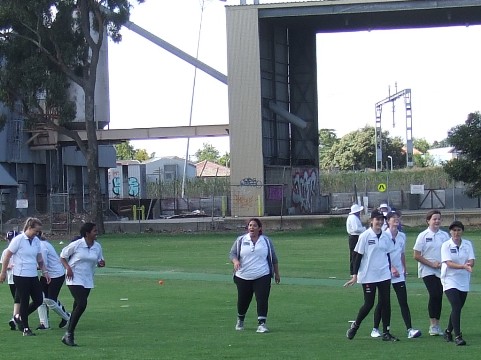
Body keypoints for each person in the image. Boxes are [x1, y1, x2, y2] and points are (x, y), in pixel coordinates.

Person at [344, 210, 398, 341]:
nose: (379, 222)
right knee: (369, 304)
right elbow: (357, 256)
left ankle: (386, 332)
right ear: (371, 221)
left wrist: (392, 268)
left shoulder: (386, 236)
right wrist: (355, 275)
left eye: (381, 219)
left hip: (384, 274)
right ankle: (355, 325)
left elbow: (389, 254)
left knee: (386, 303)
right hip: (368, 275)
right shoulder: (365, 236)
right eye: (377, 219)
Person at [370, 211, 421, 339]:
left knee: (403, 301)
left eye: (398, 218)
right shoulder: (383, 236)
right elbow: (383, 254)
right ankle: (375, 328)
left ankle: (410, 329)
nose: (396, 219)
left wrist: (404, 268)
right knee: (382, 302)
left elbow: (402, 254)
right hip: (385, 273)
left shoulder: (402, 236)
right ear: (388, 221)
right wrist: (391, 267)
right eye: (393, 218)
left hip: (399, 274)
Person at [0, 218, 50, 336]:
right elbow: (7, 256)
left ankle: (19, 316)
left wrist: (45, 272)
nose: (37, 234)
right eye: (36, 231)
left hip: (32, 275)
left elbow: (39, 259)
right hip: (20, 275)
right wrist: (3, 272)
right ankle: (26, 329)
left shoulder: (36, 241)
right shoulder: (18, 240)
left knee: (39, 299)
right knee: (24, 300)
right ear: (29, 227)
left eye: (39, 232)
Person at [229, 218, 280, 333]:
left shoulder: (266, 241)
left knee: (262, 298)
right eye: (250, 225)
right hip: (243, 275)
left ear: (260, 228)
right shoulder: (241, 240)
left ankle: (262, 324)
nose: (252, 227)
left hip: (262, 274)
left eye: (254, 225)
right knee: (243, 300)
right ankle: (240, 320)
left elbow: (273, 258)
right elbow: (232, 253)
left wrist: (277, 273)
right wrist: (236, 261)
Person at [59, 222, 105, 346]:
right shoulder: (77, 244)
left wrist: (101, 264)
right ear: (87, 233)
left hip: (87, 279)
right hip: (74, 277)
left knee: (77, 307)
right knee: (82, 303)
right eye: (94, 231)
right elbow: (62, 256)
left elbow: (100, 260)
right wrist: (67, 268)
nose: (97, 233)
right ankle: (69, 334)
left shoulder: (97, 246)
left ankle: (68, 334)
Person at [413, 210, 450, 336]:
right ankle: (433, 325)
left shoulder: (444, 236)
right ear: (428, 221)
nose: (437, 221)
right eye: (434, 219)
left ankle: (437, 325)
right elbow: (417, 255)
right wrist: (431, 264)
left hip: (441, 271)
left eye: (439, 219)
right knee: (434, 294)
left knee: (439, 295)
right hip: (427, 270)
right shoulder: (422, 236)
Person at [440, 220, 475, 346]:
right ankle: (458, 336)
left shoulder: (467, 244)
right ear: (450, 232)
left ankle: (448, 331)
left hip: (463, 279)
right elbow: (448, 263)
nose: (456, 232)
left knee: (458, 307)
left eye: (458, 230)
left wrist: (469, 264)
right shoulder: (446, 245)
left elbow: (471, 260)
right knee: (456, 305)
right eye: (454, 230)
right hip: (449, 279)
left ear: (462, 231)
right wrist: (463, 266)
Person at [36, 231, 71, 330]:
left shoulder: (42, 245)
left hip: (56, 275)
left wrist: (28, 267)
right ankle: (44, 324)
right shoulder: (37, 245)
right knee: (41, 299)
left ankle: (68, 317)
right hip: (46, 274)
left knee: (50, 300)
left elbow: (43, 264)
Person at [1, 230, 20, 330]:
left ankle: (15, 319)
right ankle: (17, 318)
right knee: (17, 300)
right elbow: (3, 264)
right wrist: (8, 267)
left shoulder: (19, 250)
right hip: (11, 279)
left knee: (19, 299)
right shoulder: (6, 251)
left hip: (21, 277)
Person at [346, 204, 365, 276]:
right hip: (354, 237)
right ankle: (354, 271)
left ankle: (354, 271)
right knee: (355, 254)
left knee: (354, 254)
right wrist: (364, 229)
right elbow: (356, 229)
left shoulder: (352, 217)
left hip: (354, 237)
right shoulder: (353, 218)